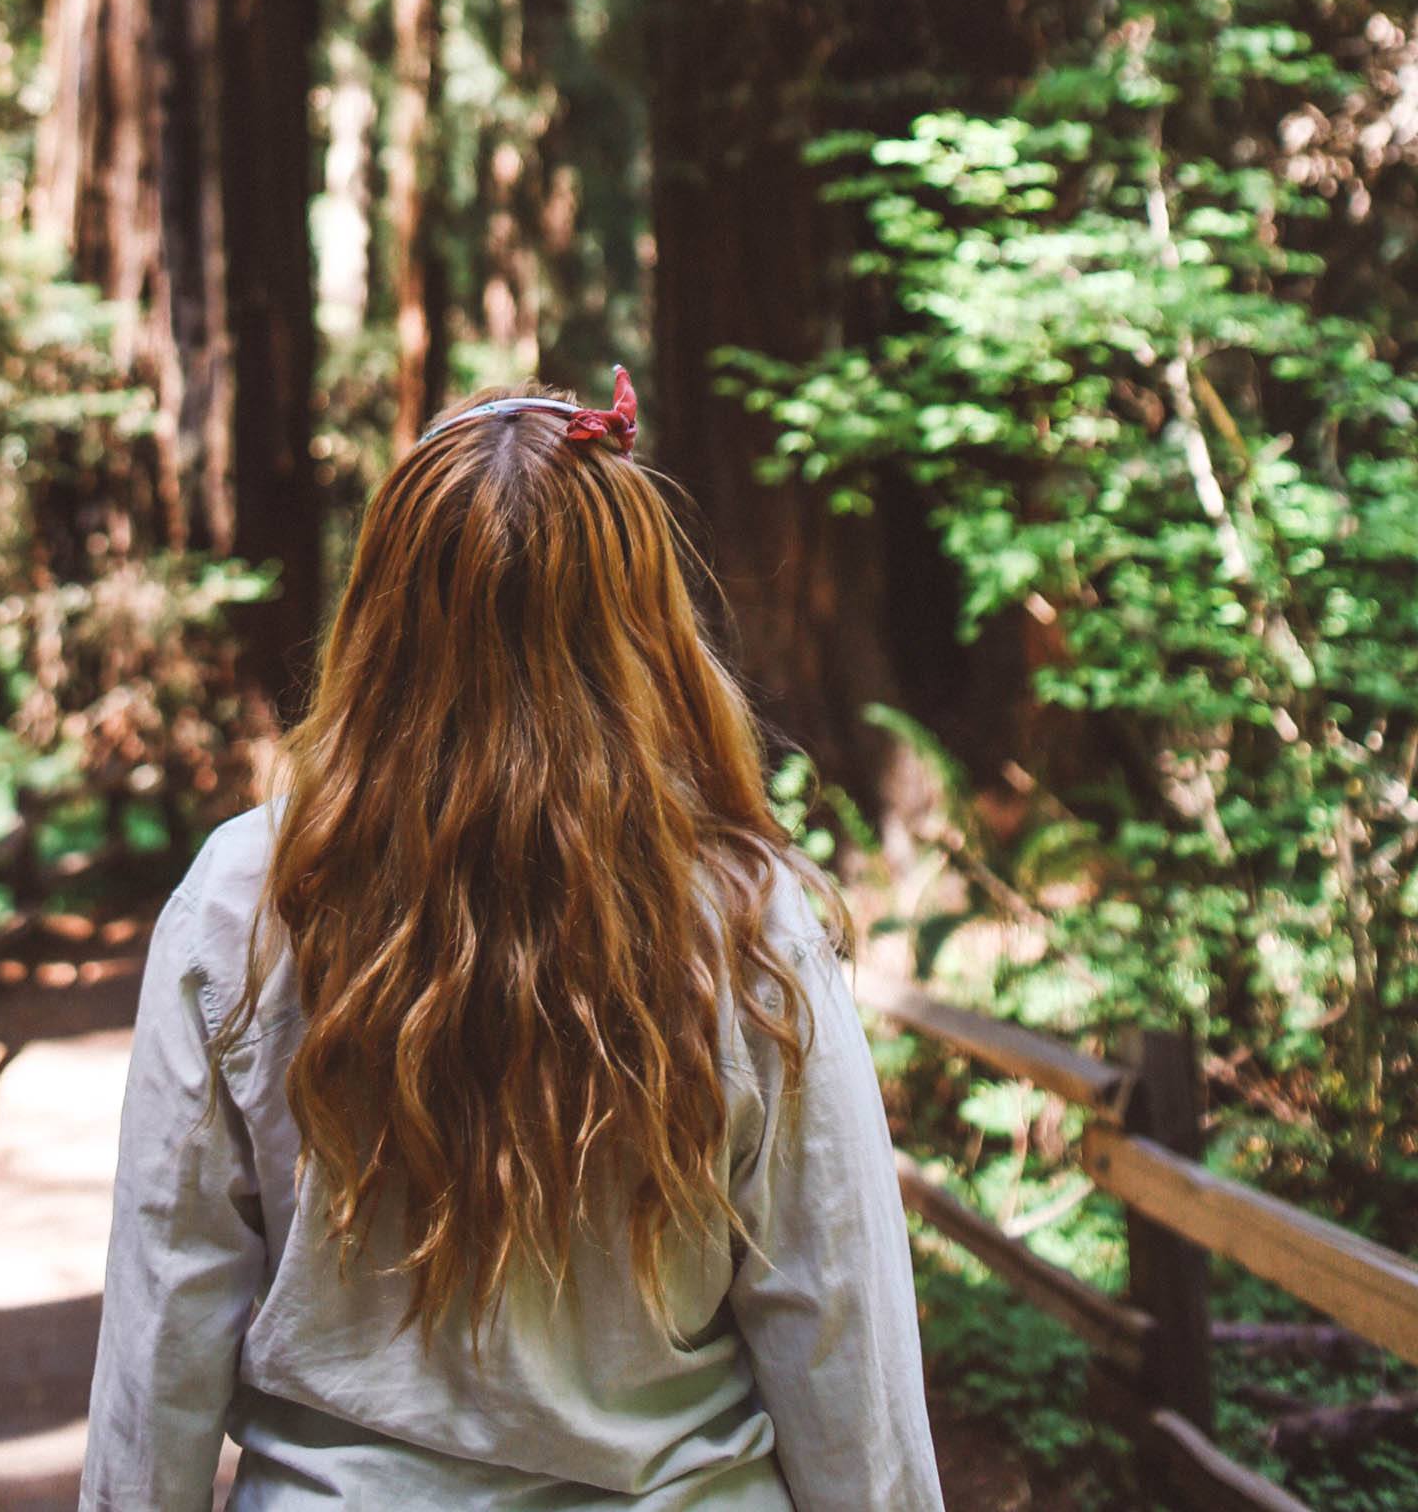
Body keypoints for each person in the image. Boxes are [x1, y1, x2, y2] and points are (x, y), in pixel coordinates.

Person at [80, 371, 948, 1512]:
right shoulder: (746, 916)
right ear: (641, 617)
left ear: (382, 608)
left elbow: (165, 1308)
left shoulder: (248, 893)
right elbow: (837, 1326)